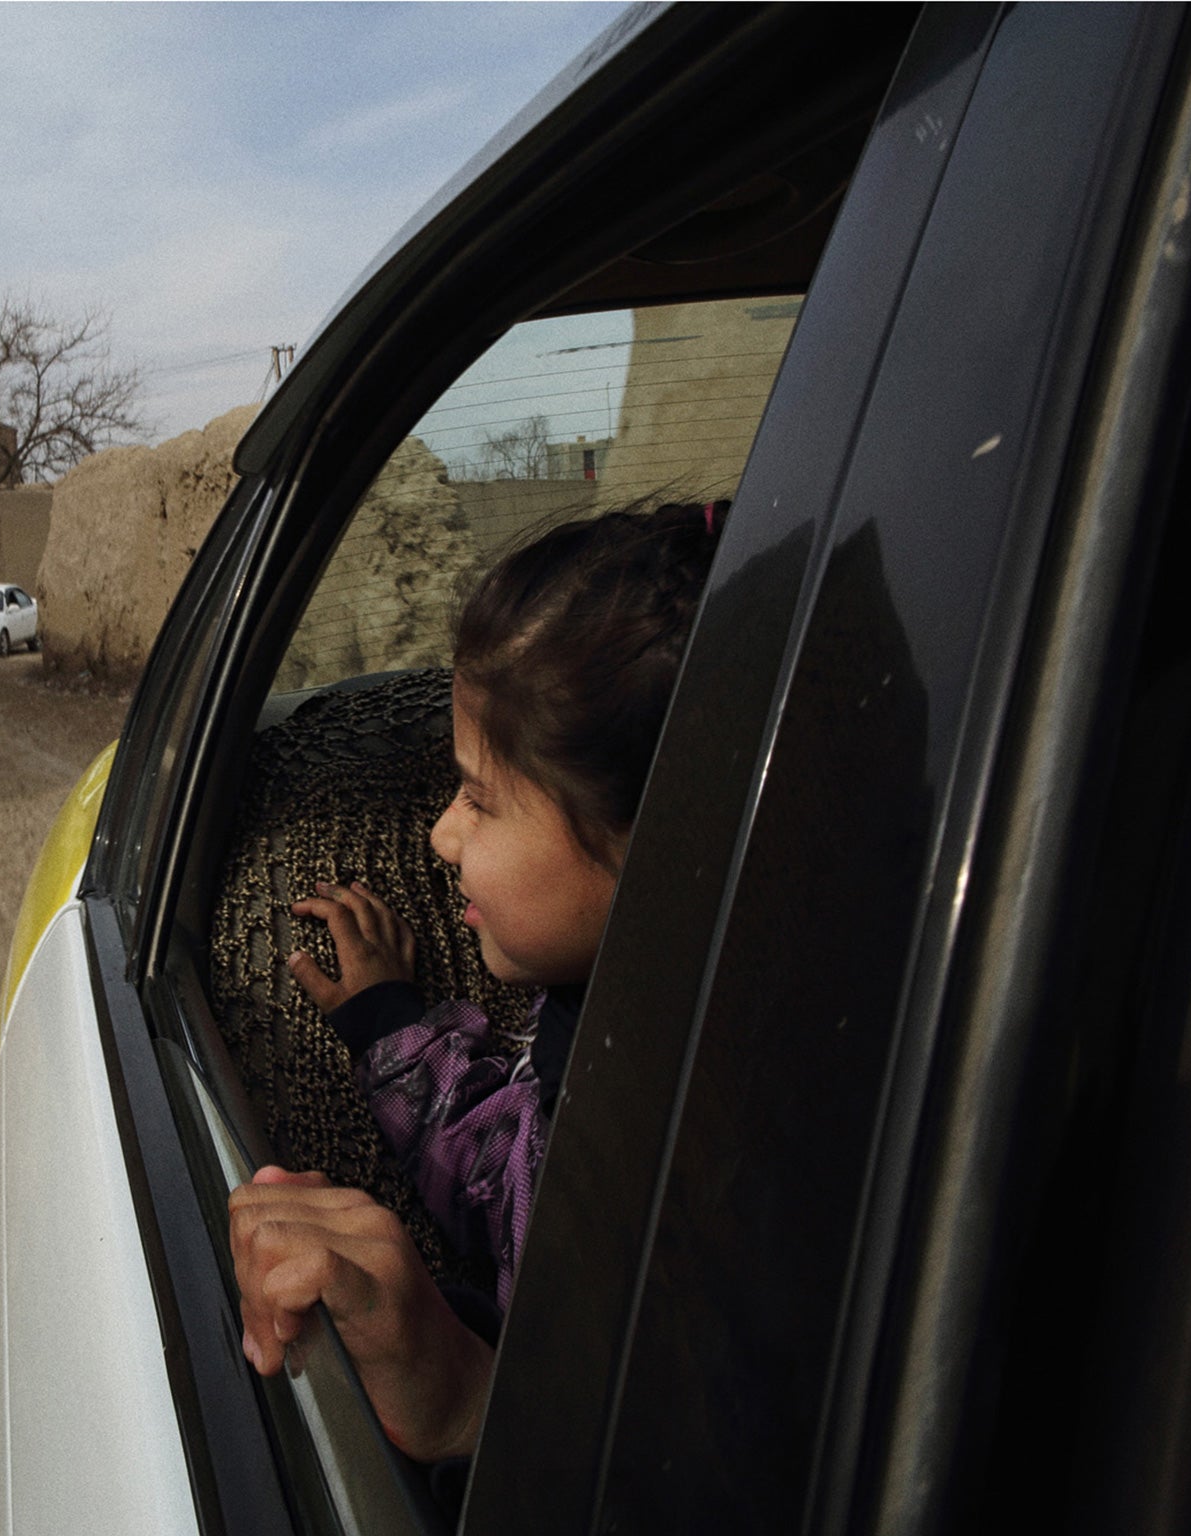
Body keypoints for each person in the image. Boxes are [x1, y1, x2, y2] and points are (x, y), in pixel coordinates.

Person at [228, 499, 724, 1464]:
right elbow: (519, 1167)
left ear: (657, 841)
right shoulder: (620, 1016)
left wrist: (467, 1395)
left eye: (479, 798)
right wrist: (391, 1023)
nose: (440, 835)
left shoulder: (685, 1173)